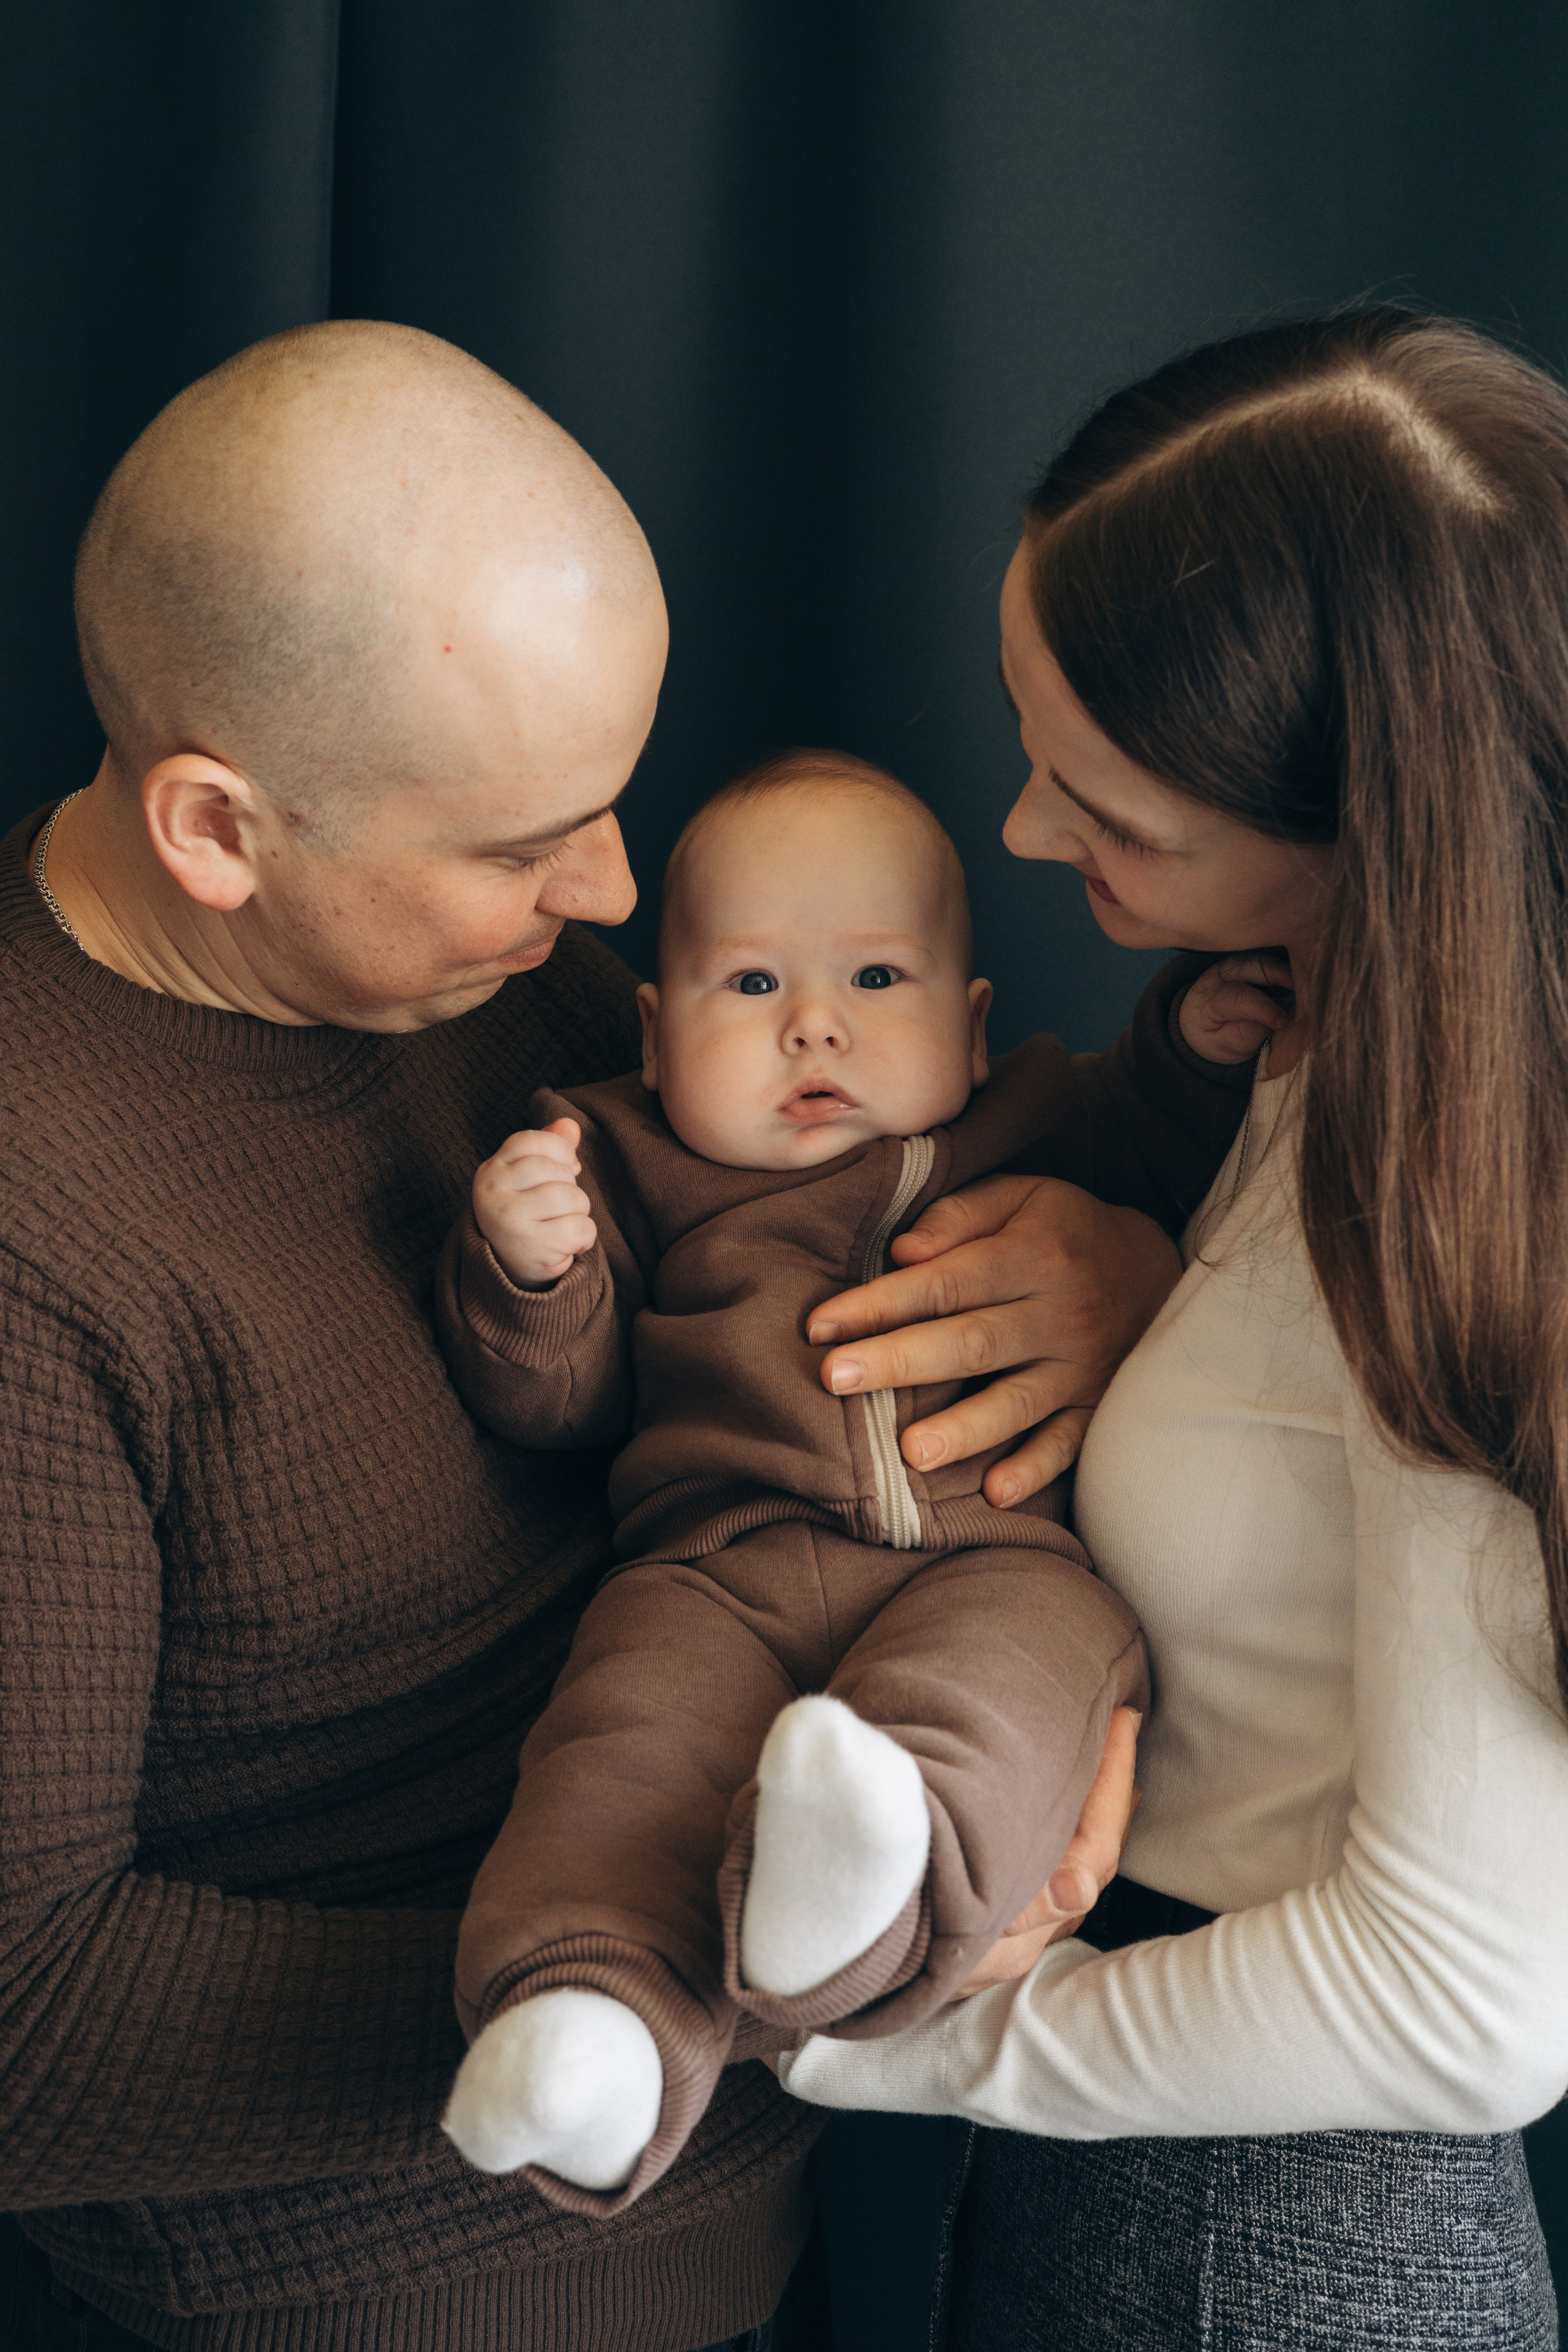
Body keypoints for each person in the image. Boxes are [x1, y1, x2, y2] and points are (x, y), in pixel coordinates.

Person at [0, 318, 1191, 2352]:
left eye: (613, 804)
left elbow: (777, 1245)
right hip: (423, 2285)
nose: (615, 887)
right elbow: (31, 2027)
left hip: (783, 2186)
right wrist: (672, 1958)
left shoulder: (468, 977)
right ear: (218, 829)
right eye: (519, 843)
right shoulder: (45, 1232)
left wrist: (1103, 1271)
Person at [775, 307, 1568, 2351]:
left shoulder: (1466, 1213)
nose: (1026, 839)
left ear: (1372, 818)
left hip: (1266, 2239)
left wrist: (884, 2048)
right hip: (1136, 2171)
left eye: (1108, 813)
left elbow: (1466, 2006)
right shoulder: (1318, 1031)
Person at [430, 750, 1251, 2209]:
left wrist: (1191, 1044)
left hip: (993, 1563)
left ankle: (862, 1891)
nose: (814, 1026)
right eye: (749, 988)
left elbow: (1170, 1141)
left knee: (1002, 1701)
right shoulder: (617, 1159)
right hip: (705, 1574)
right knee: (621, 1765)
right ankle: (585, 2033)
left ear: (973, 1021)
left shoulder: (1044, 1121)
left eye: (878, 979)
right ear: (654, 1029)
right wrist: (527, 1265)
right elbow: (554, 1401)